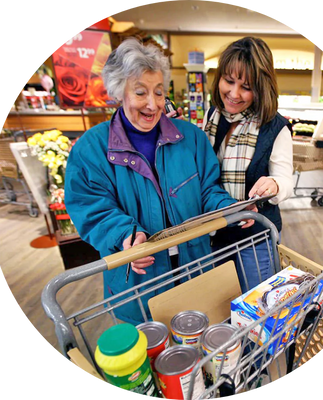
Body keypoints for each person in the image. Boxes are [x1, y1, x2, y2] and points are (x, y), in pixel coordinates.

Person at [64, 37, 254, 325]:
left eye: (158, 92)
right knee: (152, 354)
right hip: (139, 280)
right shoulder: (91, 149)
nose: (153, 105)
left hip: (195, 265)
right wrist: (125, 237)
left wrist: (230, 208)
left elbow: (207, 191)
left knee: (201, 340)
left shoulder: (190, 137)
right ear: (119, 92)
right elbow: (91, 208)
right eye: (140, 93)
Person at [203, 36, 293, 292]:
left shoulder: (275, 127)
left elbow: (286, 180)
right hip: (216, 230)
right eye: (229, 81)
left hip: (255, 237)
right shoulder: (213, 116)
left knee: (255, 301)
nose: (233, 93)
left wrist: (274, 184)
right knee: (221, 299)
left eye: (246, 86)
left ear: (261, 88)